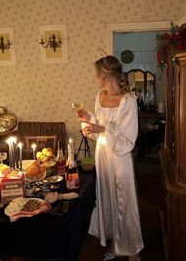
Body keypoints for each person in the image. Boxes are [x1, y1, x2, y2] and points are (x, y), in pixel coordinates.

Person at [77, 55, 143, 261]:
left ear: (105, 75)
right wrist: (89, 120)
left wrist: (102, 128)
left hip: (120, 157)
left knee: (125, 200)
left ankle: (132, 251)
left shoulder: (128, 101)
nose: (95, 77)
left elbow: (128, 137)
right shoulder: (99, 96)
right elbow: (100, 127)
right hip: (103, 155)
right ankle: (115, 244)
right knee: (107, 197)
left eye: (97, 73)